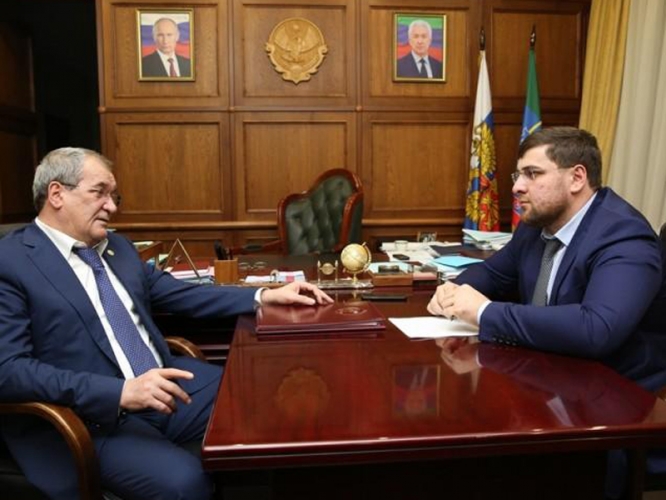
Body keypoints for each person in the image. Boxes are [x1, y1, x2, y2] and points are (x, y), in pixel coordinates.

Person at [0, 147, 333, 499]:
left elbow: (179, 293)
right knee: (186, 485)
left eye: (114, 196)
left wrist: (263, 295)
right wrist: (120, 392)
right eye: (99, 193)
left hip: (164, 385)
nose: (112, 206)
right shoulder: (12, 262)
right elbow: (8, 370)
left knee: (267, 397)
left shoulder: (117, 248)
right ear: (57, 194)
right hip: (91, 417)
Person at [428, 127, 666, 392]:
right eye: (518, 175)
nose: (517, 187)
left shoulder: (624, 236)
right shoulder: (537, 224)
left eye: (532, 174)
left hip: (614, 391)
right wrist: (454, 290)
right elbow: (493, 273)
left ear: (577, 178)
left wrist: (484, 313)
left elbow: (596, 329)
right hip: (545, 373)